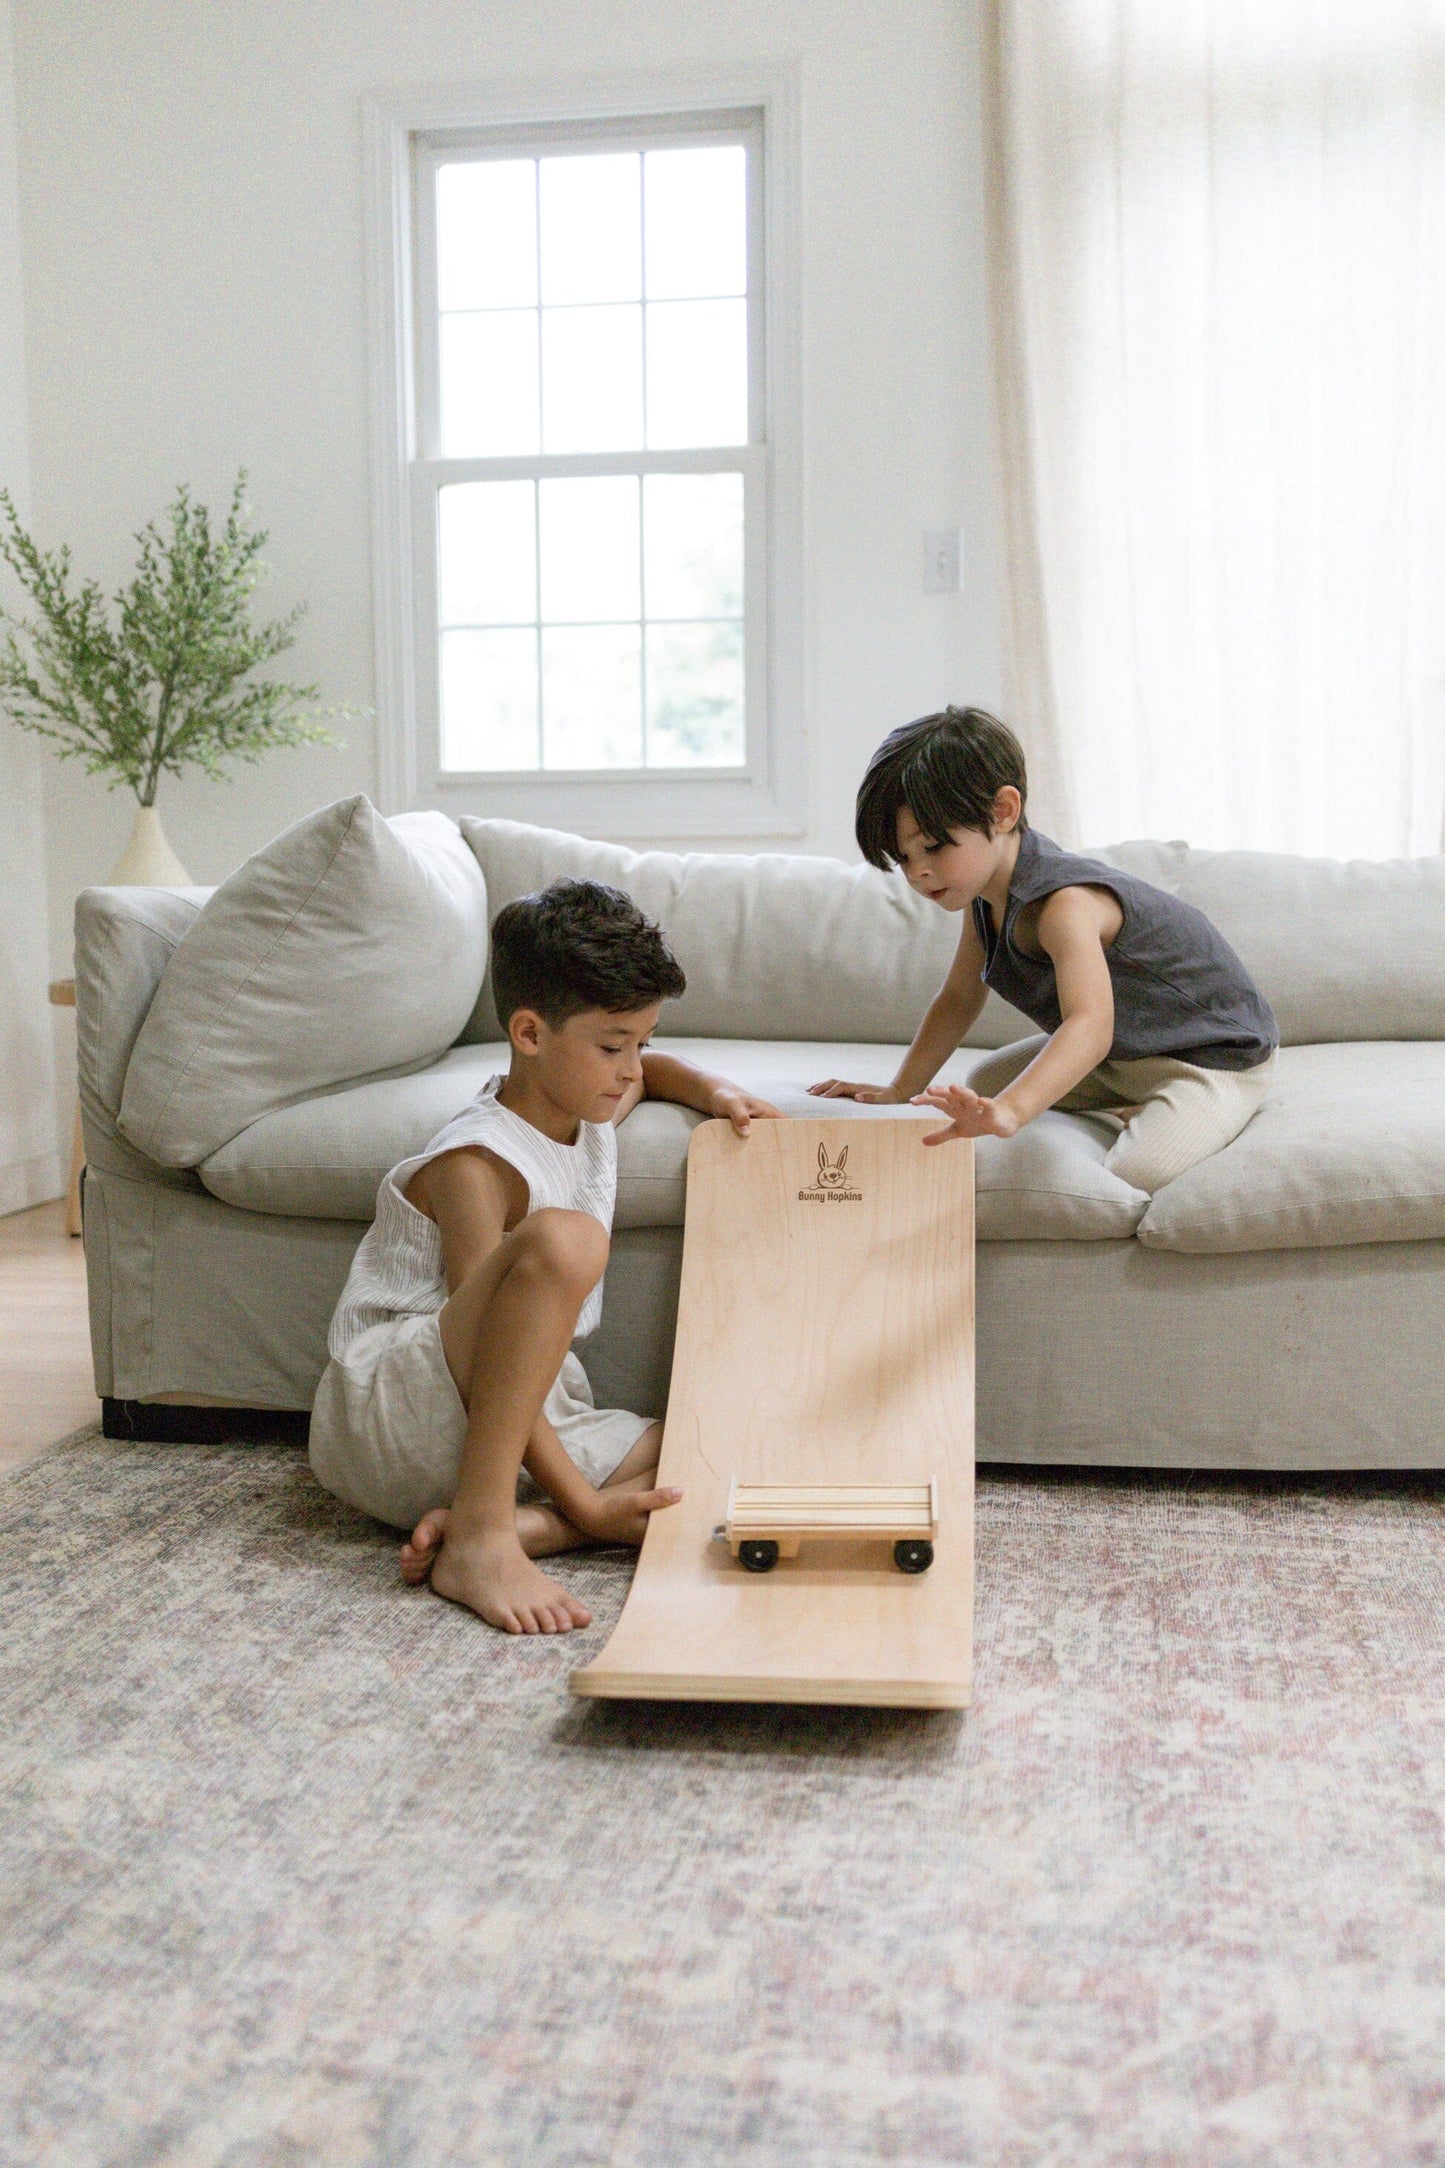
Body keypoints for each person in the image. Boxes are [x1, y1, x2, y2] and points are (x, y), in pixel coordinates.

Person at [309, 878, 778, 1636]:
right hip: (404, 1404)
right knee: (567, 1237)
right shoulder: (476, 1163)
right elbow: (479, 1351)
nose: (631, 1069)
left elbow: (650, 1077)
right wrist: (588, 1499)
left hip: (517, 1416)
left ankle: (529, 1528)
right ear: (529, 1034)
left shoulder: (584, 1102)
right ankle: (487, 1536)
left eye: (641, 1043)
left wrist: (717, 1089)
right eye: (612, 1046)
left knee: (725, 1437)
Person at [811, 705, 1277, 1192]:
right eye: (903, 857)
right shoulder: (984, 899)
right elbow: (957, 1001)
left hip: (1208, 1056)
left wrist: (1013, 1113)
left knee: (1138, 1172)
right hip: (1126, 1055)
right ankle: (1134, 1102)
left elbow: (1090, 1026)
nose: (917, 873)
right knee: (983, 1084)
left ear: (1002, 811)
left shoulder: (1064, 905)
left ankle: (1192, 1108)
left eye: (932, 847)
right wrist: (897, 1092)